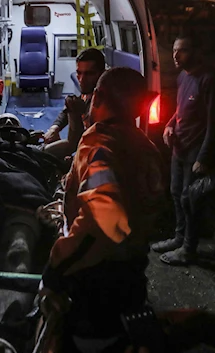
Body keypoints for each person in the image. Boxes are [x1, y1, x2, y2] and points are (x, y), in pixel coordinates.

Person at [38, 67, 166, 353]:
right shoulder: (145, 147)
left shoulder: (99, 147)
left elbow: (101, 221)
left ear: (98, 96)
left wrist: (55, 269)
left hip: (97, 279)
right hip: (133, 270)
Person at [151, 30, 215, 265]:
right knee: (175, 193)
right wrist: (169, 126)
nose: (175, 55)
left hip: (195, 150)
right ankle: (179, 237)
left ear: (196, 52)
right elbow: (181, 110)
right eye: (173, 50)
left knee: (189, 199)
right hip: (178, 146)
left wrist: (203, 157)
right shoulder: (183, 77)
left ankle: (189, 249)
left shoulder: (209, 80)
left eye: (181, 50)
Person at [43, 48, 105, 145]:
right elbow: (66, 112)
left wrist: (74, 114)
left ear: (102, 74)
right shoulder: (88, 92)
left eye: (89, 74)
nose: (82, 79)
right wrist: (54, 128)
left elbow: (79, 142)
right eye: (79, 73)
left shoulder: (105, 104)